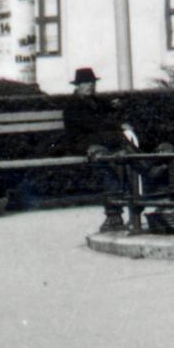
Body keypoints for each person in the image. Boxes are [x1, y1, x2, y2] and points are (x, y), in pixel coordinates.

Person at [62, 66, 143, 232]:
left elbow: (110, 110)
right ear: (77, 86)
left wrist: (117, 108)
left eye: (91, 83)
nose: (90, 86)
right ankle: (113, 214)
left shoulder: (96, 101)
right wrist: (119, 126)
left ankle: (118, 213)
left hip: (99, 141)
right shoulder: (72, 105)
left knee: (121, 155)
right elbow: (91, 125)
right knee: (111, 159)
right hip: (82, 143)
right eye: (85, 83)